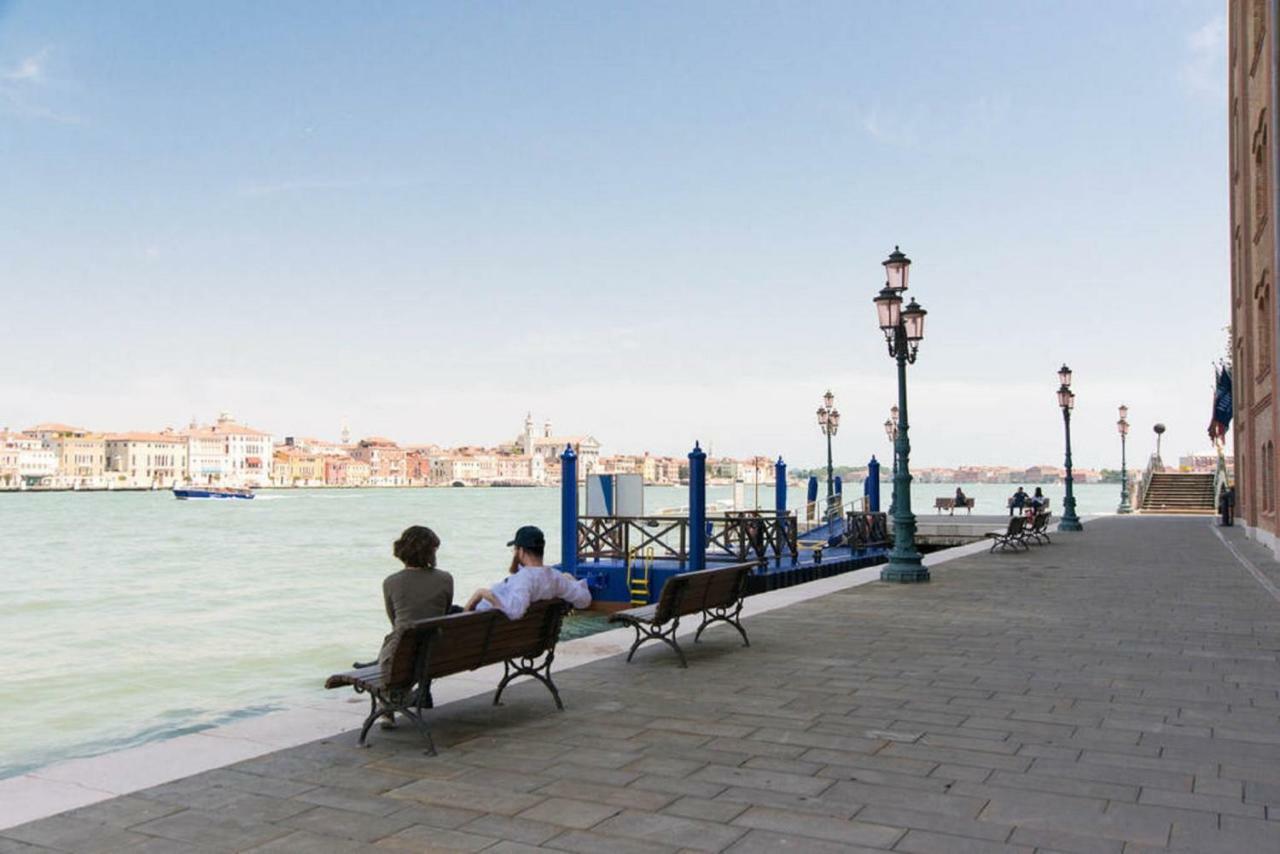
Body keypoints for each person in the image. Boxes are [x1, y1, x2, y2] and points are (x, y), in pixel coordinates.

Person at [466, 525, 591, 619]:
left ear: (521, 551)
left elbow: (515, 611)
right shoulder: (554, 577)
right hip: (504, 631)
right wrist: (570, 579)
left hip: (479, 622)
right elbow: (584, 600)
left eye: (515, 549)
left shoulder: (524, 578)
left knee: (452, 612)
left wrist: (482, 593)